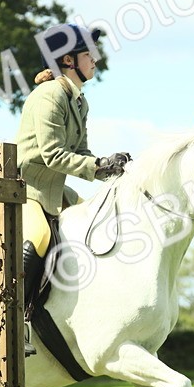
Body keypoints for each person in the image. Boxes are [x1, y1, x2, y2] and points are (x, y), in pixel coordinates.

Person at [17, 23, 130, 349]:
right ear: (68, 60)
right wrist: (97, 166)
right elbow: (53, 155)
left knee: (97, 222)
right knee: (40, 237)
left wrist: (109, 169)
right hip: (26, 190)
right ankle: (10, 319)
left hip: (57, 192)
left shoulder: (79, 102)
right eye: (88, 54)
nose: (95, 59)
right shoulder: (48, 96)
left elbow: (80, 153)